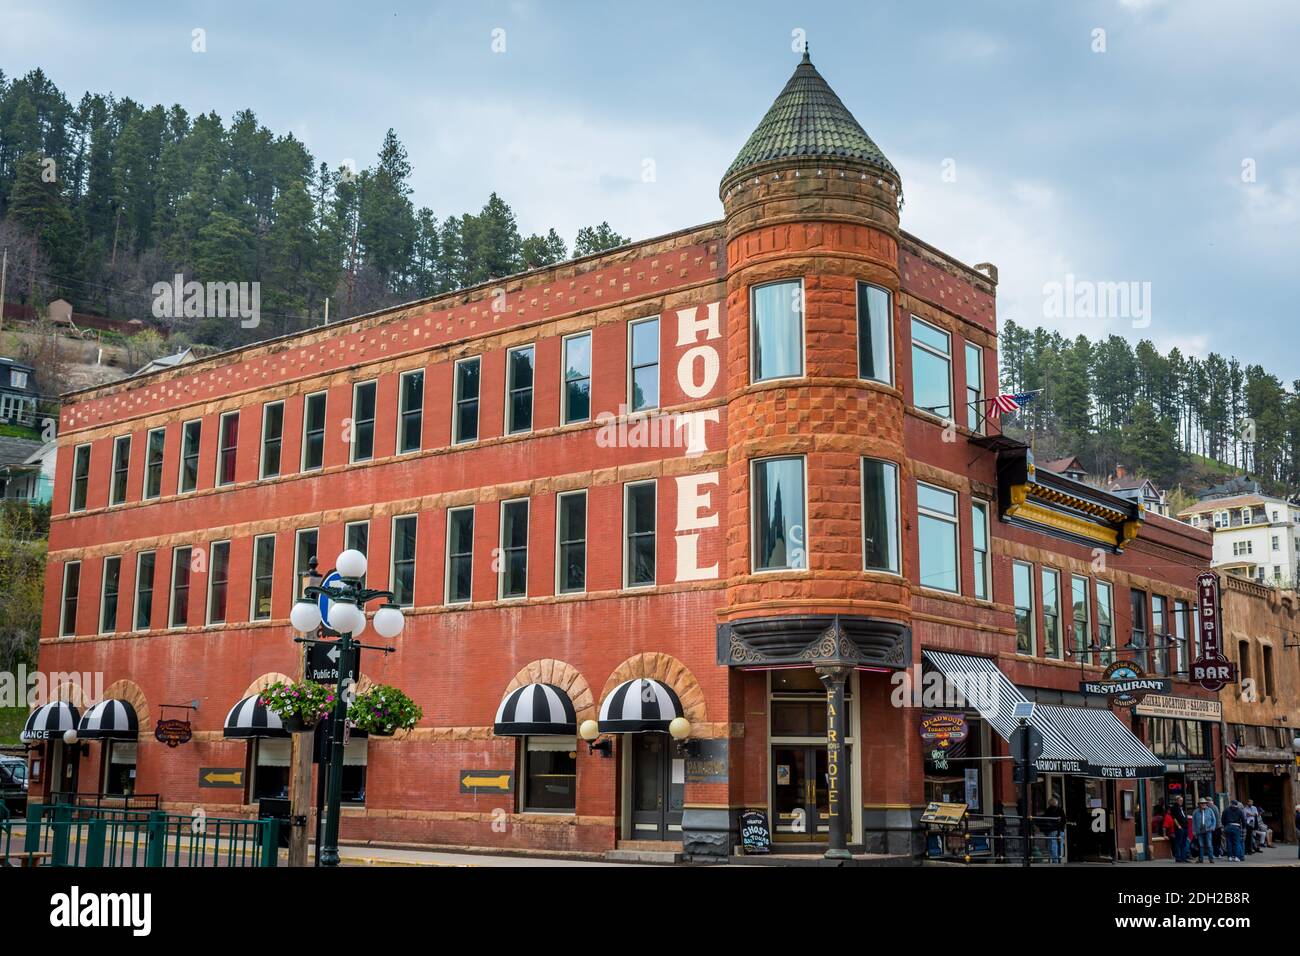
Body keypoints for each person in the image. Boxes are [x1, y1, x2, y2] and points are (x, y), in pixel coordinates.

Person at [1039, 797, 1065, 863]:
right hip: (1061, 830)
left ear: (1049, 804)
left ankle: (1055, 861)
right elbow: (1064, 820)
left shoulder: (1049, 810)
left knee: (1053, 846)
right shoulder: (1060, 810)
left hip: (1052, 830)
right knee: (1060, 845)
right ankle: (1059, 859)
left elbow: (1045, 819)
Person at [1192, 798, 1218, 863]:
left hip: (1208, 830)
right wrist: (1194, 831)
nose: (1204, 804)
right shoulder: (1195, 811)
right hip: (1199, 831)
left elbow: (1214, 820)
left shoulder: (1210, 810)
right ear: (1199, 804)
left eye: (1205, 803)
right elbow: (1193, 822)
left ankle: (1211, 859)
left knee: (1209, 845)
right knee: (1201, 845)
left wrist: (1212, 827)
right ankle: (1201, 859)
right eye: (1202, 803)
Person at [1170, 796, 1190, 862]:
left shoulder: (1181, 808)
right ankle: (1178, 858)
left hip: (1185, 827)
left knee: (1184, 843)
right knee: (1178, 843)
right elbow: (1174, 818)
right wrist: (1178, 826)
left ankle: (1183, 857)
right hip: (1180, 828)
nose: (1181, 801)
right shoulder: (1174, 808)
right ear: (1176, 800)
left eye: (1182, 800)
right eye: (1180, 800)